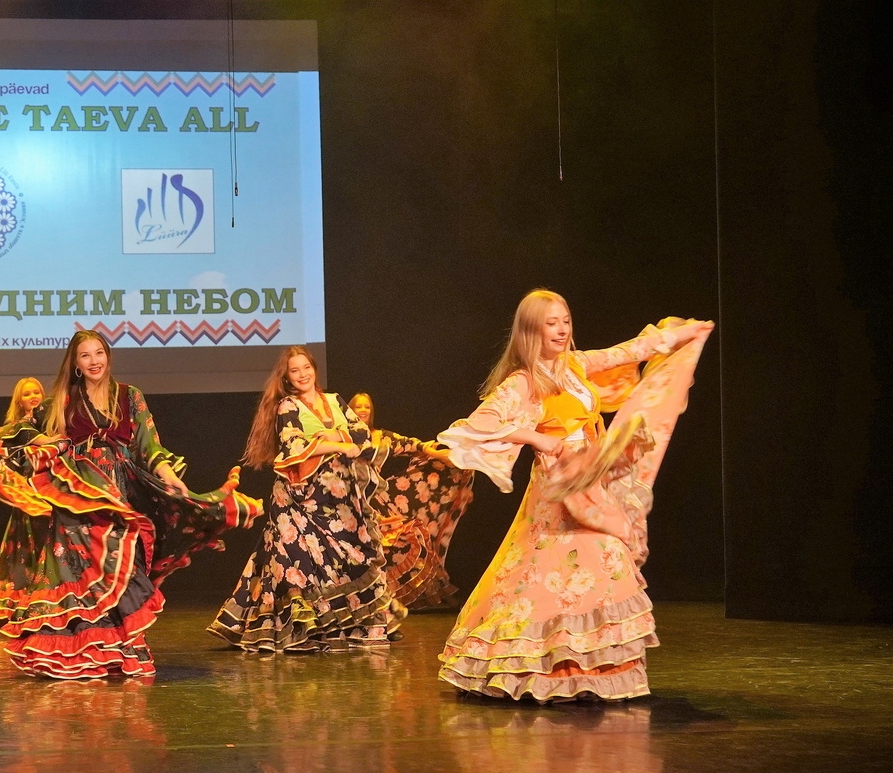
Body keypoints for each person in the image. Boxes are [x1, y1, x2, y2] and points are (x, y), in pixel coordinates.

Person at [435, 289, 713, 701]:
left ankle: (593, 671)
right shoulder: (524, 381)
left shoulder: (575, 365)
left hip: (589, 479)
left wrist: (683, 335)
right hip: (557, 489)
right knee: (555, 571)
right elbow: (479, 424)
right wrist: (539, 439)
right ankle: (544, 668)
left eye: (565, 320)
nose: (562, 329)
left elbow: (627, 352)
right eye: (551, 323)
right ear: (531, 331)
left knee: (598, 567)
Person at [0, 329, 262, 678]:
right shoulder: (61, 401)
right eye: (85, 355)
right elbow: (17, 434)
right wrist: (46, 447)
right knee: (75, 570)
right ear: (75, 364)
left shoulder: (129, 396)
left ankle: (120, 649)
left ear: (108, 357)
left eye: (99, 353)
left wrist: (172, 479)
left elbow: (148, 444)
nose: (94, 361)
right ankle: (75, 652)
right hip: (78, 496)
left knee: (122, 568)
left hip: (120, 492)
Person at [207, 348, 404, 652]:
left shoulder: (336, 400)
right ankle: (297, 627)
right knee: (297, 559)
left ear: (314, 369)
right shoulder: (289, 406)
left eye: (306, 368)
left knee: (342, 559)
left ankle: (351, 623)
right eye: (295, 370)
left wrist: (341, 438)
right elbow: (293, 444)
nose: (302, 374)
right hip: (296, 497)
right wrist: (338, 443)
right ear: (287, 377)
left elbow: (362, 434)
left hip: (336, 499)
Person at [346, 392, 476, 609]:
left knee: (405, 537)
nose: (363, 410)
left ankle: (400, 595)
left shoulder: (381, 436)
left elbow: (410, 444)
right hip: (349, 500)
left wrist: (437, 454)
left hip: (375, 497)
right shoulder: (342, 437)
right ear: (350, 410)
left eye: (367, 407)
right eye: (358, 406)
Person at [0, 377, 50, 629]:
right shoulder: (15, 428)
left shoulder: (54, 424)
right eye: (27, 394)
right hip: (28, 498)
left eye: (37, 392)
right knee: (25, 551)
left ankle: (47, 603)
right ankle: (21, 604)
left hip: (53, 494)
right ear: (19, 401)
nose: (33, 397)